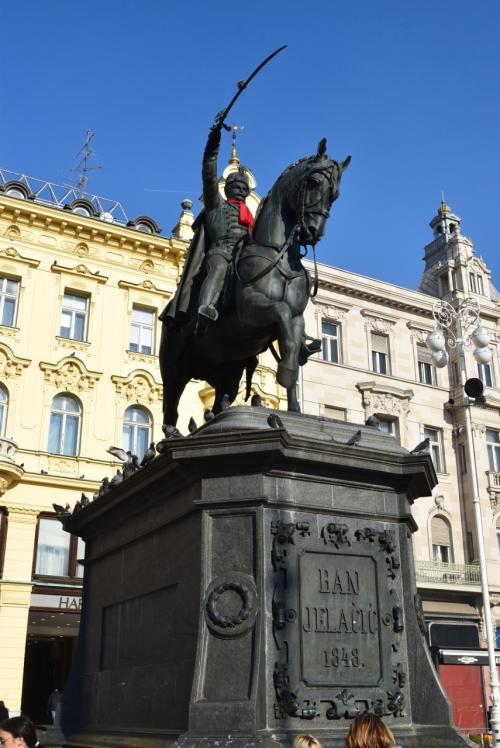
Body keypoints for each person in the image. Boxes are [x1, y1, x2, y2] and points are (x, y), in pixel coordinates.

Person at [162, 122, 253, 330]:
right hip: (220, 252)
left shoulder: (251, 216)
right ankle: (206, 308)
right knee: (219, 268)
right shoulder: (216, 205)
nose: (240, 190)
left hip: (243, 257)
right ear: (227, 189)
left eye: (244, 188)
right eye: (236, 187)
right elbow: (209, 172)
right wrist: (214, 143)